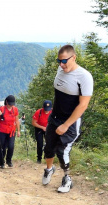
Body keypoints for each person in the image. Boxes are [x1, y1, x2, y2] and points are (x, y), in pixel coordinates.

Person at [41, 45, 93, 193]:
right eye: (59, 61)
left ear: (74, 57)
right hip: (55, 117)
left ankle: (67, 178)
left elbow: (83, 105)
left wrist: (66, 125)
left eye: (64, 61)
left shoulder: (84, 77)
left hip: (70, 122)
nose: (61, 64)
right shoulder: (61, 69)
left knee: (62, 150)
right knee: (48, 147)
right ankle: (49, 169)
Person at [0, 95, 21, 169]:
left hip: (11, 131)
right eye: (10, 104)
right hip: (2, 131)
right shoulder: (1, 109)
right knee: (2, 147)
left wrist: (18, 131)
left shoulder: (15, 109)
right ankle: (1, 162)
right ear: (6, 102)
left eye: (12, 104)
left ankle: (9, 160)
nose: (11, 105)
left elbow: (17, 120)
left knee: (11, 146)